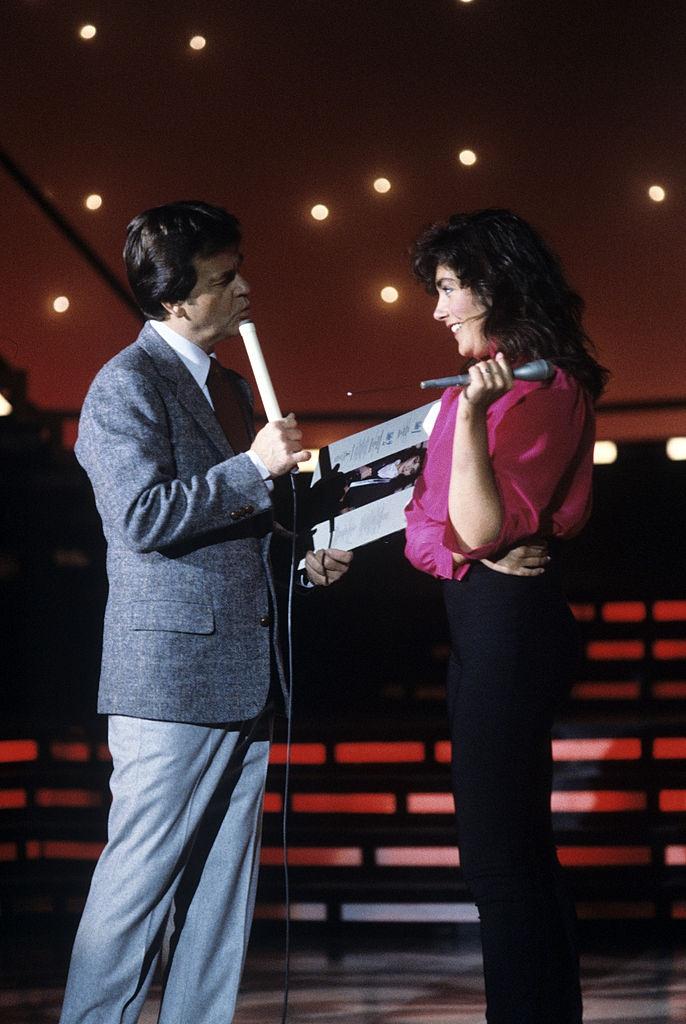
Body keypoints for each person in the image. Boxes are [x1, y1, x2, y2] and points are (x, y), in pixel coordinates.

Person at [59, 200, 351, 1024]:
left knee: (222, 898)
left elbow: (238, 526)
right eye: (225, 279)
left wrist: (300, 556)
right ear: (177, 298)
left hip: (242, 672)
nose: (245, 289)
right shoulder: (124, 385)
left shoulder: (224, 385)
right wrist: (252, 468)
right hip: (170, 679)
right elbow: (142, 517)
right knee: (136, 891)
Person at [404, 209, 607, 1023]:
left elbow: (474, 529)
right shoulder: (481, 388)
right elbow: (428, 532)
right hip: (481, 620)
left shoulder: (540, 387)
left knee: (499, 861)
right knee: (516, 854)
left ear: (498, 285)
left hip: (512, 622)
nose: (438, 309)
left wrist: (472, 445)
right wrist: (452, 541)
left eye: (450, 289)